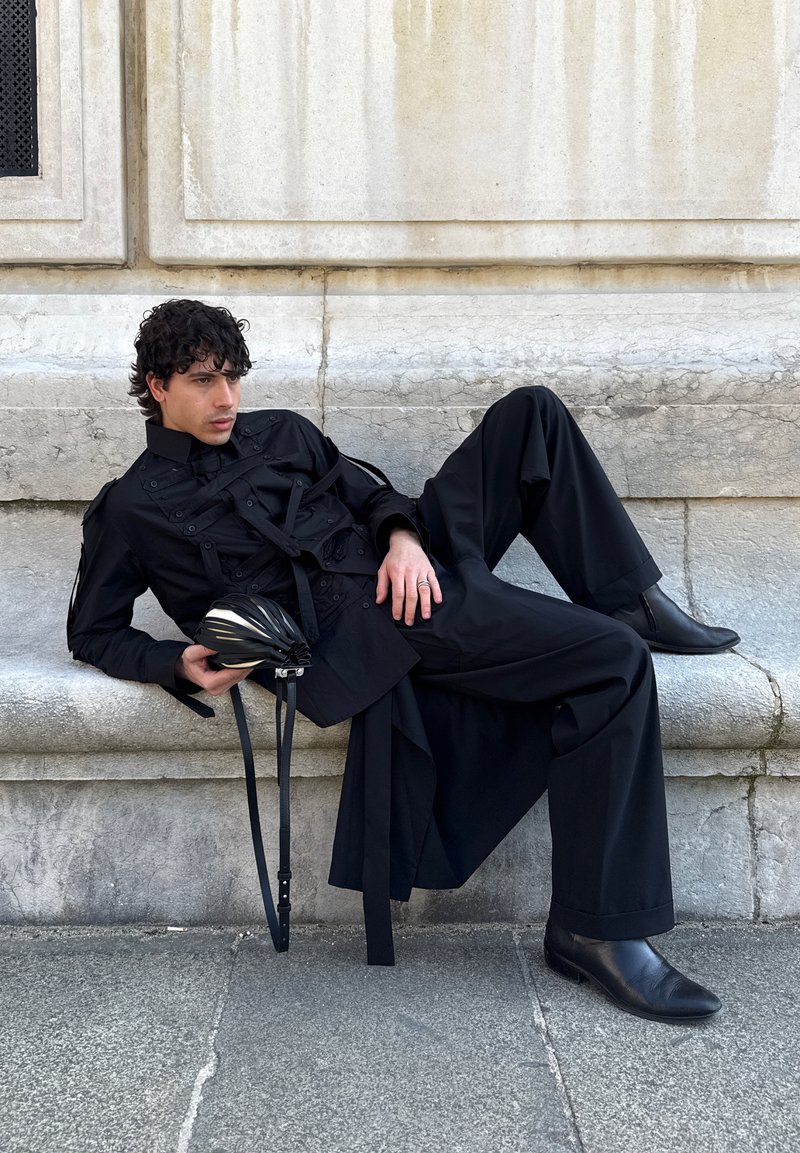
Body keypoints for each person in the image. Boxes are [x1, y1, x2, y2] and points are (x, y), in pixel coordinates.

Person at [68, 299, 739, 1023]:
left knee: (531, 414)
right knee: (615, 663)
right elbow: (94, 631)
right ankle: (594, 929)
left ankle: (631, 597)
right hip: (370, 629)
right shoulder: (132, 507)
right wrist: (175, 661)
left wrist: (403, 537)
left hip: (406, 564)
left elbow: (374, 494)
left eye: (233, 377)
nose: (226, 398)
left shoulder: (282, 431)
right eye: (203, 380)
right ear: (156, 384)